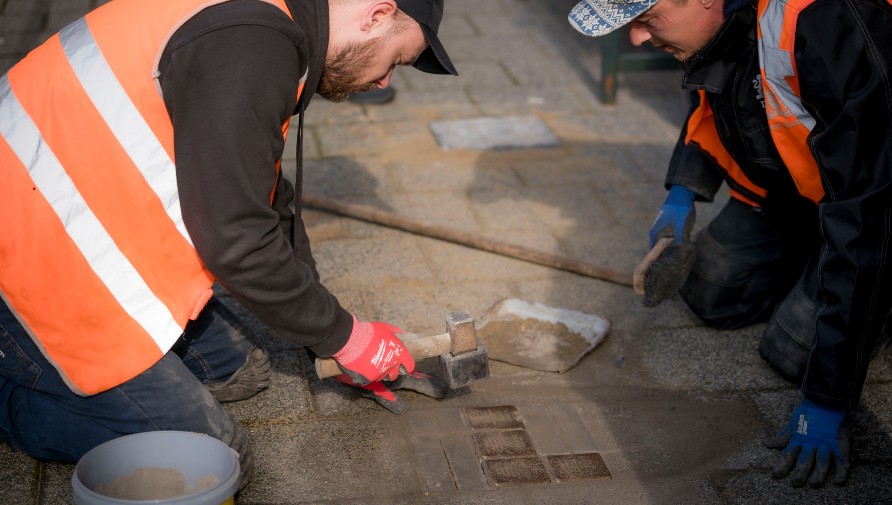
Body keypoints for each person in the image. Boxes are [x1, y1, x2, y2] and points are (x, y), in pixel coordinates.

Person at [0, 0, 457, 491]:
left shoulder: (273, 26)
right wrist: (345, 338)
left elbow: (265, 202)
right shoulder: (250, 43)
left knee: (240, 371)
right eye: (397, 60)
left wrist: (330, 334)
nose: (386, 81)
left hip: (71, 220)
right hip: (28, 254)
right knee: (216, 457)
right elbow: (236, 237)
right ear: (377, 14)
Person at [569, 0, 891, 489]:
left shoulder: (827, 24)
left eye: (644, 19)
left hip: (872, 204)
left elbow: (867, 215)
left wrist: (827, 402)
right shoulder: (717, 23)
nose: (635, 39)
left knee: (795, 353)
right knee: (710, 289)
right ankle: (819, 268)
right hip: (804, 190)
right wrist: (683, 191)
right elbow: (711, 100)